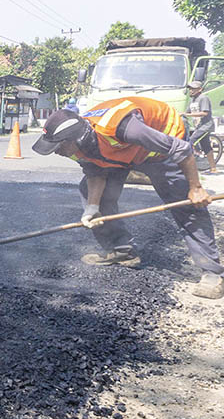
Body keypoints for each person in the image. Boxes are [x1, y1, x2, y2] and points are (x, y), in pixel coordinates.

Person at [32, 96, 224, 299]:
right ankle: (121, 250)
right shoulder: (76, 146)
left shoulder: (122, 127)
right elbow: (95, 171)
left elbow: (181, 149)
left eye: (58, 147)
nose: (56, 153)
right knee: (90, 192)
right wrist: (92, 207)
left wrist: (195, 188)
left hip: (163, 148)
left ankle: (212, 273)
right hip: (124, 153)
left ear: (73, 140)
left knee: (186, 204)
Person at [182, 80, 217, 174]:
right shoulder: (192, 100)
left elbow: (205, 113)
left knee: (191, 142)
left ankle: (191, 165)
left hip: (206, 126)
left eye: (193, 89)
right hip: (199, 127)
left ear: (200, 89)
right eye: (190, 89)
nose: (191, 91)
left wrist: (187, 115)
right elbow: (187, 113)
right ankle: (213, 168)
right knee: (206, 146)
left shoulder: (203, 98)